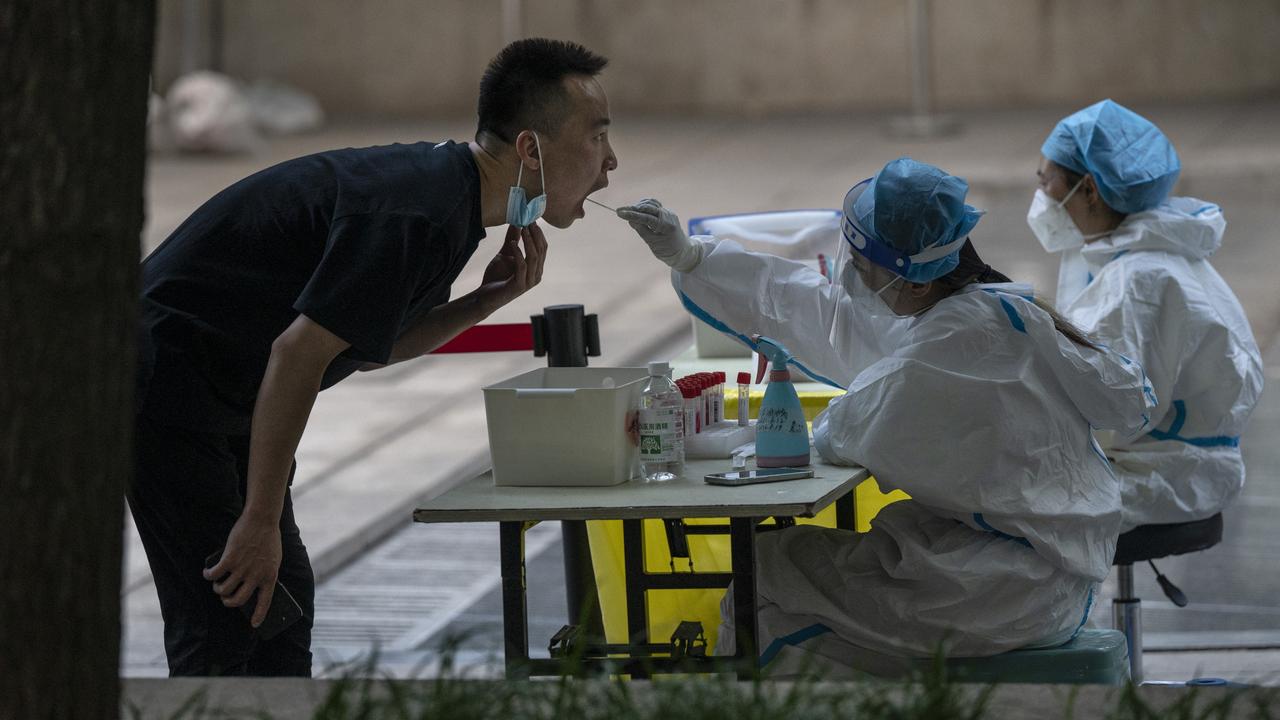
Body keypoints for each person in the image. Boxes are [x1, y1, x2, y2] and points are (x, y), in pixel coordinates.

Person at [131, 38, 617, 676]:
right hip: (167, 388)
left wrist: (486, 299)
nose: (611, 162)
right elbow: (298, 356)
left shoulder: (449, 200)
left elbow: (367, 345)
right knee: (228, 615)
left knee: (283, 605)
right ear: (530, 147)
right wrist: (258, 517)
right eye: (596, 136)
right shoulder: (419, 212)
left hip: (222, 393)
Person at [617, 157, 1155, 677]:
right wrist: (693, 257)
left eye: (860, 263)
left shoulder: (949, 345)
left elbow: (842, 430)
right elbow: (831, 316)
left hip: (1001, 590)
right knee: (780, 569)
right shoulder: (989, 310)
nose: (849, 275)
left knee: (762, 581)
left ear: (915, 280)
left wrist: (776, 431)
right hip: (1029, 571)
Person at [1029, 99, 1263, 532]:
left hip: (1159, 475)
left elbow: (1110, 409)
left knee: (995, 510)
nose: (1041, 194)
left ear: (1090, 191)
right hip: (1179, 462)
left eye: (1047, 180)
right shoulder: (1148, 255)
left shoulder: (1136, 281)